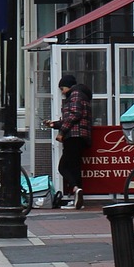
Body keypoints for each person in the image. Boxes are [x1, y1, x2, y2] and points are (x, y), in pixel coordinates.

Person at [53, 74, 92, 209]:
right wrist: (54, 124)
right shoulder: (81, 95)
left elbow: (75, 114)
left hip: (74, 136)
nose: (62, 92)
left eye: (62, 88)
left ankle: (76, 189)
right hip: (81, 135)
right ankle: (78, 199)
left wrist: (61, 132)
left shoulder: (75, 94)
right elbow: (73, 117)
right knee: (75, 167)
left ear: (68, 86)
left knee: (63, 167)